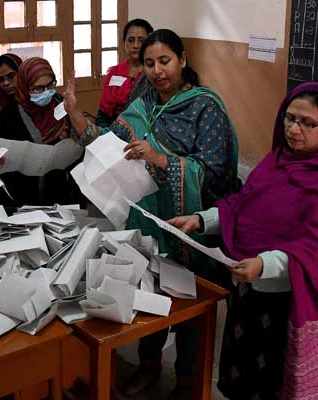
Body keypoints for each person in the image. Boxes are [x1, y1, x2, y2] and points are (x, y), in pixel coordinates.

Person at [64, 29, 240, 397]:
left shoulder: (205, 107)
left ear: (183, 60)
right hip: (149, 221)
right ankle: (149, 364)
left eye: (165, 61)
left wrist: (160, 159)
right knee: (149, 291)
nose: (158, 71)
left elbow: (217, 173)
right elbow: (110, 141)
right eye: (149, 63)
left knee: (190, 301)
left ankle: (189, 378)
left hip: (192, 228)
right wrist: (75, 115)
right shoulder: (143, 102)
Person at [170, 82, 318, 400]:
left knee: (271, 382)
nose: (294, 129)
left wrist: (265, 264)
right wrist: (202, 219)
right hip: (247, 290)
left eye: (307, 122)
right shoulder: (275, 163)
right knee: (243, 373)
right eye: (289, 118)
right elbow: (242, 205)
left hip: (287, 302)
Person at [0, 57, 84, 206]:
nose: (46, 92)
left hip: (64, 193)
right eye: (38, 88)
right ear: (24, 86)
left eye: (50, 85)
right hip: (25, 199)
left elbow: (84, 139)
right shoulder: (8, 117)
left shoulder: (62, 105)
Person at [96, 18, 154, 127]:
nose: (136, 45)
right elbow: (102, 113)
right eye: (131, 40)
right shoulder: (114, 72)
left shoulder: (153, 74)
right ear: (124, 42)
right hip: (110, 129)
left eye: (141, 40)